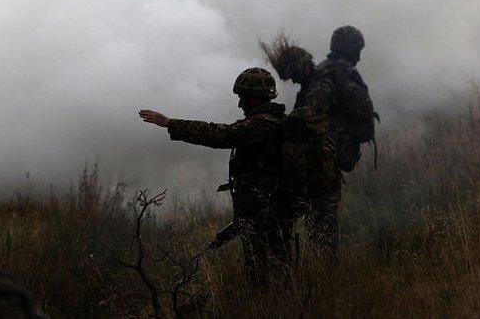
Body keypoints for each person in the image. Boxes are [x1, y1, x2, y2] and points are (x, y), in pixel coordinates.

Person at [139, 67, 301, 282]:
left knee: (266, 274)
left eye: (243, 97)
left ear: (254, 98)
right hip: (270, 210)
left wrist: (171, 123)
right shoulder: (277, 121)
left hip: (264, 213)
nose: (240, 104)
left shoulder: (260, 126)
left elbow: (218, 135)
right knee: (276, 268)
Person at [262, 27, 376, 255]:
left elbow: (310, 121)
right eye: (357, 50)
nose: (359, 56)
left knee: (321, 228)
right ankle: (322, 273)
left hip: (320, 164)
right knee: (322, 226)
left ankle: (323, 276)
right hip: (322, 163)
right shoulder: (331, 75)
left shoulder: (324, 78)